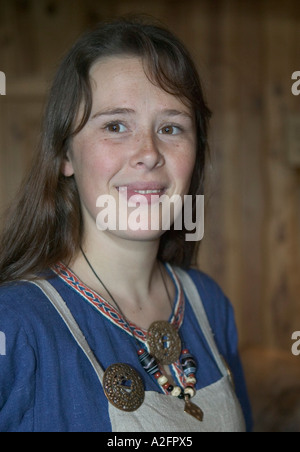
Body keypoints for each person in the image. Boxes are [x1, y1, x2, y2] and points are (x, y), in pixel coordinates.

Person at [0, 17, 252, 432]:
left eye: (171, 128)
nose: (148, 153)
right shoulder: (15, 322)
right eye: (116, 126)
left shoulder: (209, 304)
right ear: (65, 156)